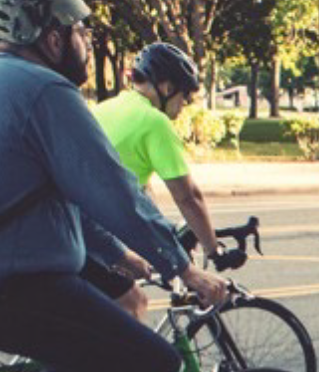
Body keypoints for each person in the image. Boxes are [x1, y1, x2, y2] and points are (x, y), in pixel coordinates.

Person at [0, 1, 227, 372]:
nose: (88, 42)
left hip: (12, 281)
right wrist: (183, 267)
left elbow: (58, 197)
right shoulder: (46, 90)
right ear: (54, 38)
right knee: (155, 365)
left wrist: (117, 254)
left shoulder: (2, 81)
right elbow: (112, 190)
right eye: (82, 31)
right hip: (16, 285)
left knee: (88, 358)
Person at [86, 42, 220, 320]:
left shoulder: (108, 107)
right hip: (90, 233)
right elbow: (188, 197)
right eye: (184, 98)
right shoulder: (154, 122)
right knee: (133, 303)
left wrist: (165, 236)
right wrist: (213, 249)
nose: (183, 108)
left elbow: (139, 190)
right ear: (167, 87)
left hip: (74, 226)